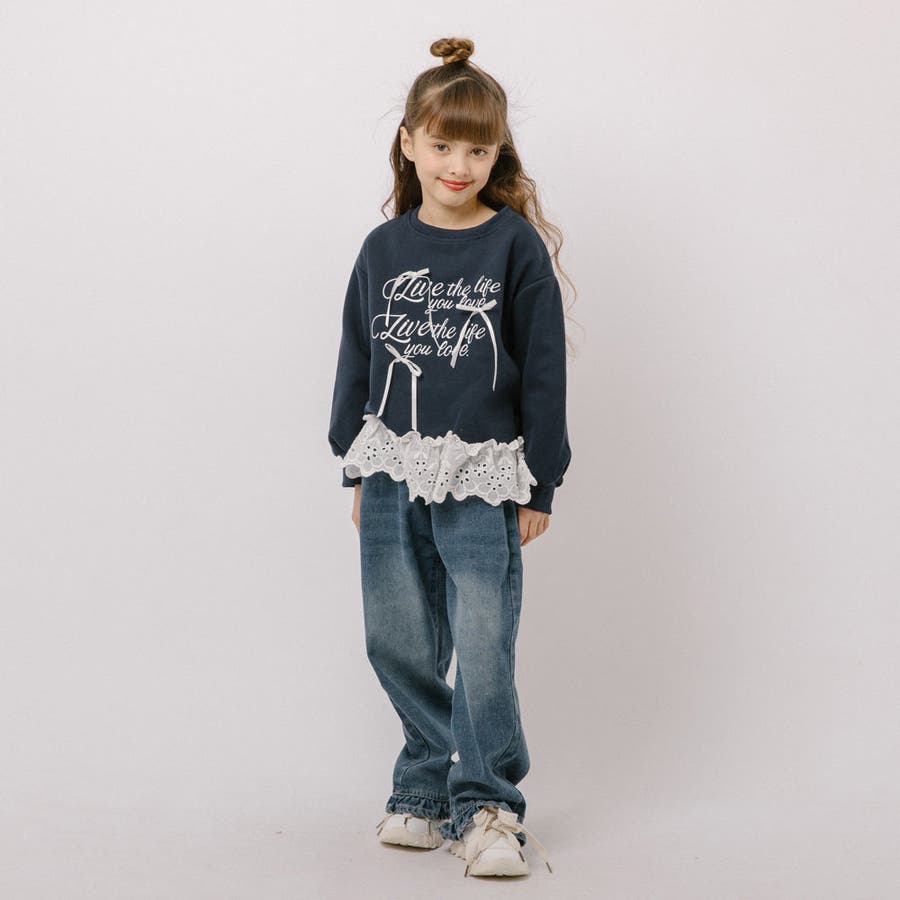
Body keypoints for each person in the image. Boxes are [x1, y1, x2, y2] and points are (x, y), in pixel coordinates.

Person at [327, 36, 575, 878]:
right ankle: (425, 786)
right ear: (409, 143)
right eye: (441, 145)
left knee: (483, 638)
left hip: (483, 475)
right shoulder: (383, 248)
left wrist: (542, 480)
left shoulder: (513, 246)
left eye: (477, 150)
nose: (458, 166)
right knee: (395, 639)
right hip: (391, 469)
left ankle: (488, 805)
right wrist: (355, 463)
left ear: (498, 153)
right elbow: (357, 357)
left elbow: (543, 368)